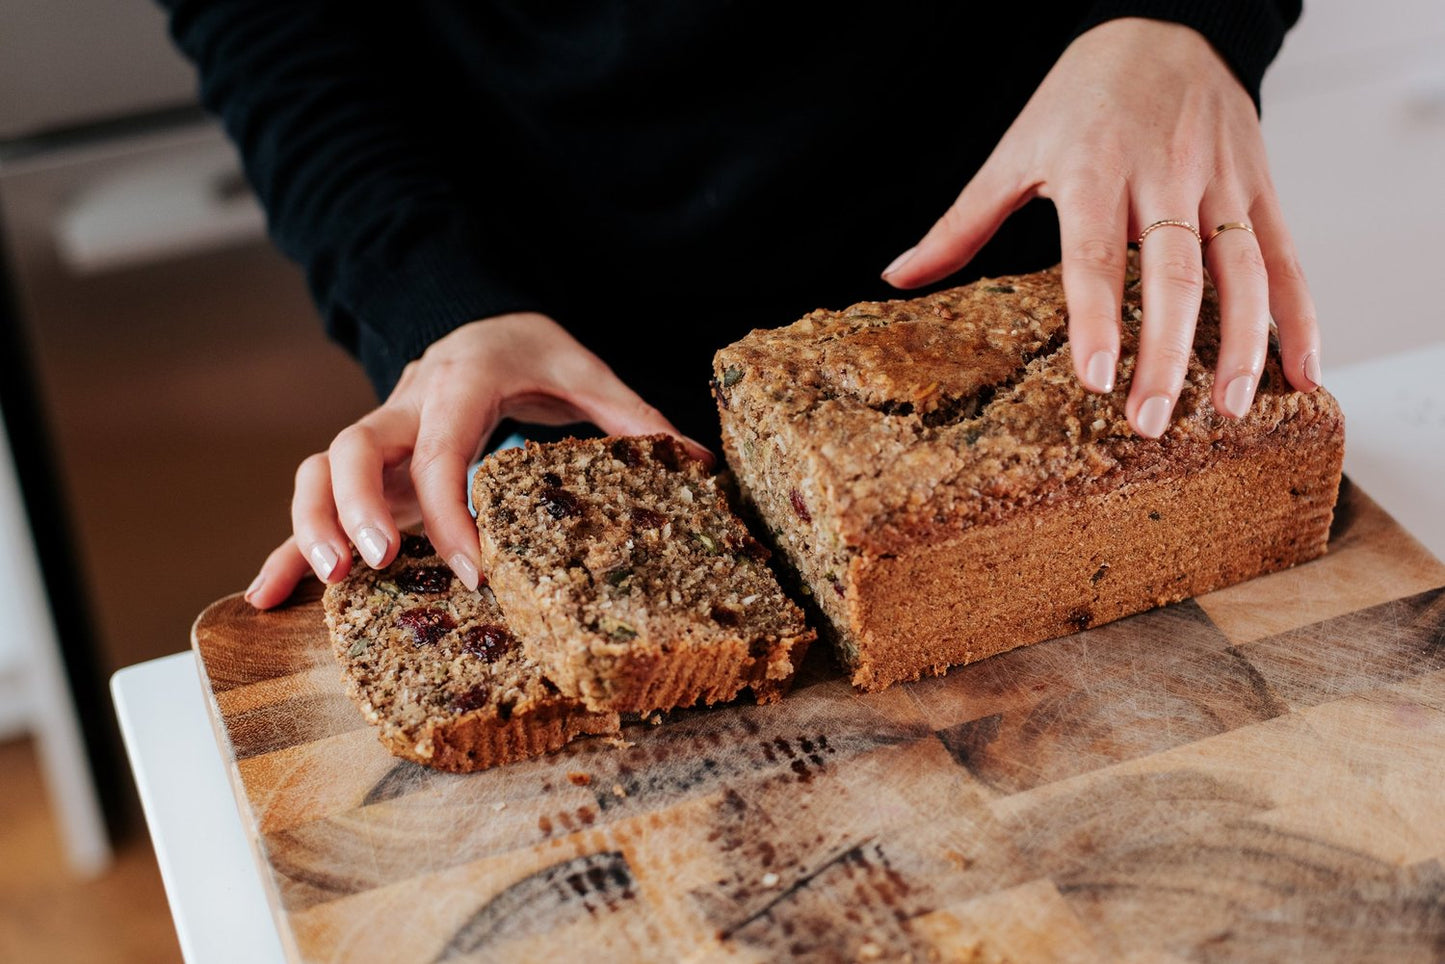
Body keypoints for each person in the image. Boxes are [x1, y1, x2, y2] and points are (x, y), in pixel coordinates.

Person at [157, 1, 1317, 610]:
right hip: (576, 356)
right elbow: (274, 18)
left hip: (1060, 225)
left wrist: (1183, 13)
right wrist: (433, 299)